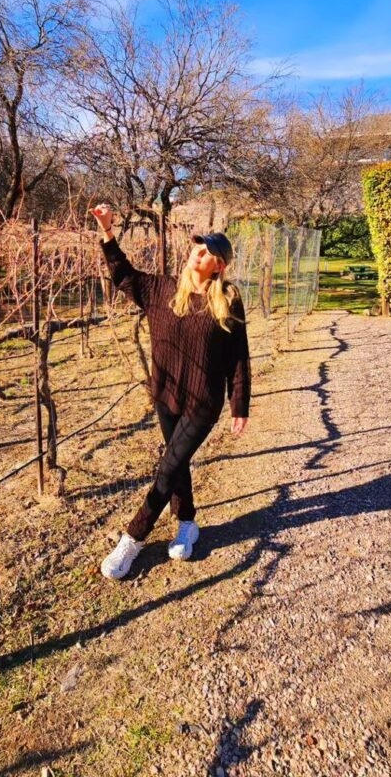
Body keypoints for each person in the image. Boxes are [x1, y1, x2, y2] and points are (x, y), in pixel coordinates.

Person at [91, 204, 251, 579]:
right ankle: (187, 523)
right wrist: (107, 232)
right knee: (177, 465)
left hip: (203, 402)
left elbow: (239, 358)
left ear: (220, 265)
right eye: (198, 245)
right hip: (166, 395)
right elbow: (123, 275)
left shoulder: (228, 301)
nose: (200, 251)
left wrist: (238, 404)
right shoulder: (161, 289)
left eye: (209, 250)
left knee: (167, 468)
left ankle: (133, 538)